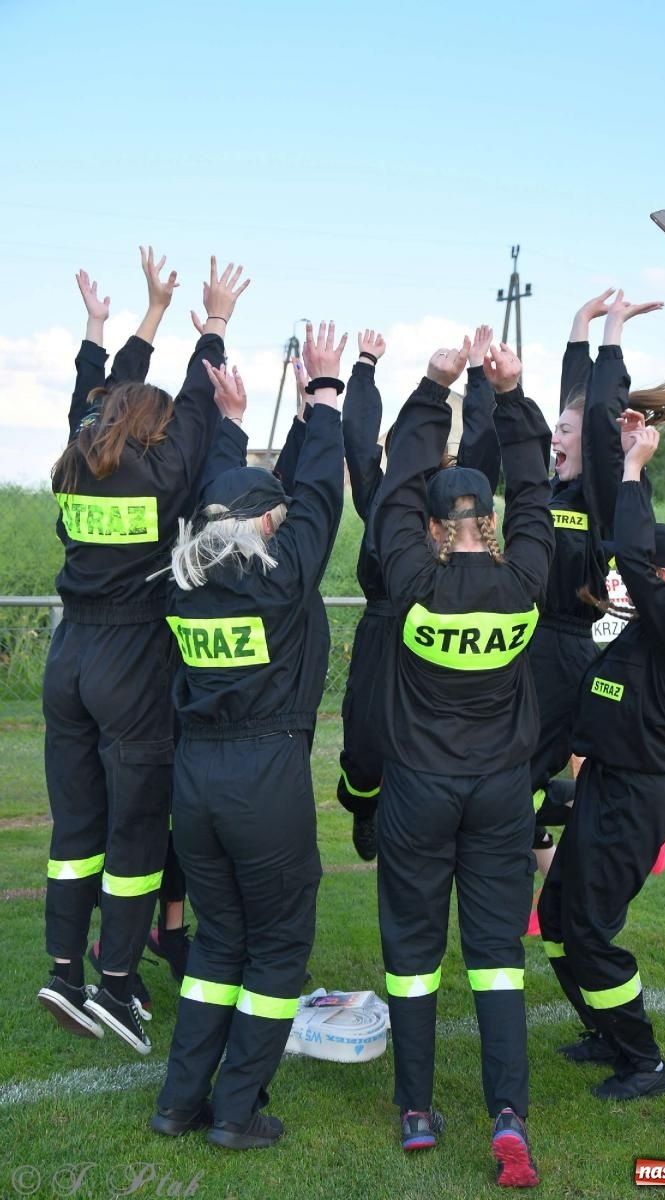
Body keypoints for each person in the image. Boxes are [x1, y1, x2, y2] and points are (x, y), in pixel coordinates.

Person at [37, 253, 249, 1055]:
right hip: (132, 662)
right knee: (132, 834)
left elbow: (94, 399)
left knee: (75, 824)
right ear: (149, 429)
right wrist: (215, 320)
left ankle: (64, 969)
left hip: (69, 659)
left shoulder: (72, 465)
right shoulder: (162, 474)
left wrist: (137, 321)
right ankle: (117, 985)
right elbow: (198, 401)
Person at [150, 321, 345, 1151]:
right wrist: (326, 396)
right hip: (264, 773)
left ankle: (178, 1102)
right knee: (275, 950)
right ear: (269, 525)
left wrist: (233, 425)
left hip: (195, 779)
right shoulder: (284, 577)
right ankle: (236, 1112)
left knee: (219, 940)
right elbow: (324, 498)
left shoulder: (186, 579)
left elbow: (216, 499)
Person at [372, 336, 554, 1187]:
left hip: (419, 793)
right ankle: (507, 1116)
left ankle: (416, 1109)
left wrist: (434, 388)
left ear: (440, 528)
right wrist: (510, 397)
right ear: (489, 520)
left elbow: (394, 492)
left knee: (413, 956)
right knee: (495, 955)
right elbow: (540, 494)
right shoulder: (525, 586)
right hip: (500, 795)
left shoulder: (414, 581)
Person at [538, 422, 665, 1100]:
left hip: (635, 800)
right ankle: (604, 1028)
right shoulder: (635, 635)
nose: (620, 573)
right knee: (557, 914)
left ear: (663, 578)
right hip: (603, 787)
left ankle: (644, 1063)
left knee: (593, 934)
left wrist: (632, 468)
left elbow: (632, 552)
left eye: (639, 569)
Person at [337, 325, 501, 860]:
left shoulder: (463, 497)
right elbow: (359, 441)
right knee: (364, 739)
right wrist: (363, 367)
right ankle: (366, 806)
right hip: (385, 630)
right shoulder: (389, 499)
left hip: (441, 627)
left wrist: (478, 377)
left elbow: (483, 440)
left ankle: (441, 823)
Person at [528, 290, 665, 884]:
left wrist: (611, 339)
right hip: (526, 645)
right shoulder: (556, 489)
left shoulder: (599, 500)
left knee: (514, 780)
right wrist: (577, 331)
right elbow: (578, 407)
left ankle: (555, 816)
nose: (553, 437)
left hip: (562, 654)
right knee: (509, 779)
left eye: (563, 430)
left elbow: (598, 419)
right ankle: (550, 815)